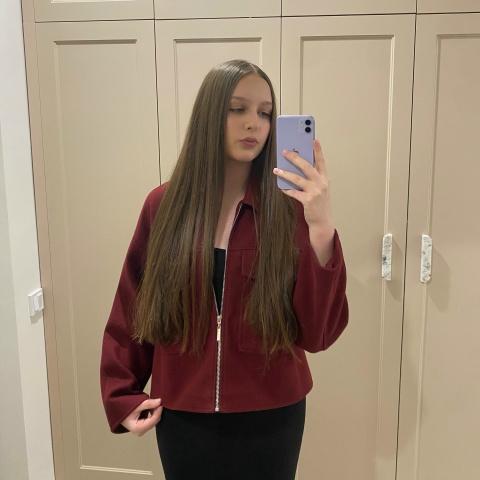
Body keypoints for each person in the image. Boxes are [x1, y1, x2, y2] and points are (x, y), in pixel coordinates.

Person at [100, 59, 348, 480]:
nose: (254, 123)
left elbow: (318, 334)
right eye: (238, 108)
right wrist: (121, 393)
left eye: (265, 113)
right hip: (183, 411)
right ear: (210, 114)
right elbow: (133, 305)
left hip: (273, 414)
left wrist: (321, 227)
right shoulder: (163, 206)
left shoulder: (289, 212)